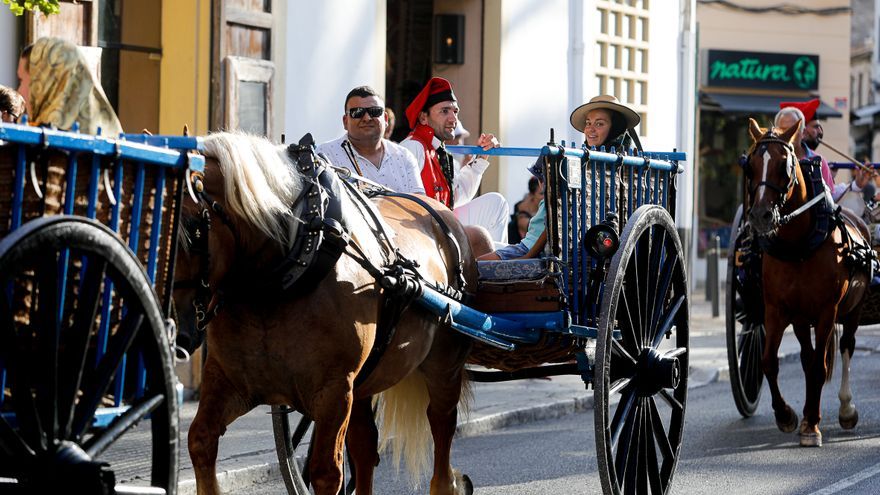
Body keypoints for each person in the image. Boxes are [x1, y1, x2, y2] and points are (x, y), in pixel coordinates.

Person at [401, 77, 509, 243]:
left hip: (442, 226)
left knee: (496, 203)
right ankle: (491, 264)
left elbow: (457, 196)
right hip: (424, 235)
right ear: (423, 118)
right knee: (497, 250)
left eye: (455, 111)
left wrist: (482, 156)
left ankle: (492, 263)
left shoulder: (438, 150)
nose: (453, 119)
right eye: (444, 111)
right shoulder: (413, 147)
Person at [316, 86, 425, 195]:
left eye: (375, 111)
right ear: (345, 121)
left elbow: (419, 206)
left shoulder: (404, 157)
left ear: (386, 119)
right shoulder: (325, 155)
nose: (367, 118)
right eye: (357, 112)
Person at [17, 37, 122, 136]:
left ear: (46, 85)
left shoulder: (39, 142)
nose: (19, 91)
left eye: (21, 80)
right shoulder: (111, 139)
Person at [774, 103, 867, 202]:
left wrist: (855, 185)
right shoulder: (769, 161)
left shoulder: (819, 162)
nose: (788, 134)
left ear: (803, 133)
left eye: (793, 130)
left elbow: (830, 198)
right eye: (783, 130)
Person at [569, 94, 641, 150]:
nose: (590, 129)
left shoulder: (632, 164)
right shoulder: (581, 160)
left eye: (599, 124)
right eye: (588, 123)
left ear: (615, 128)